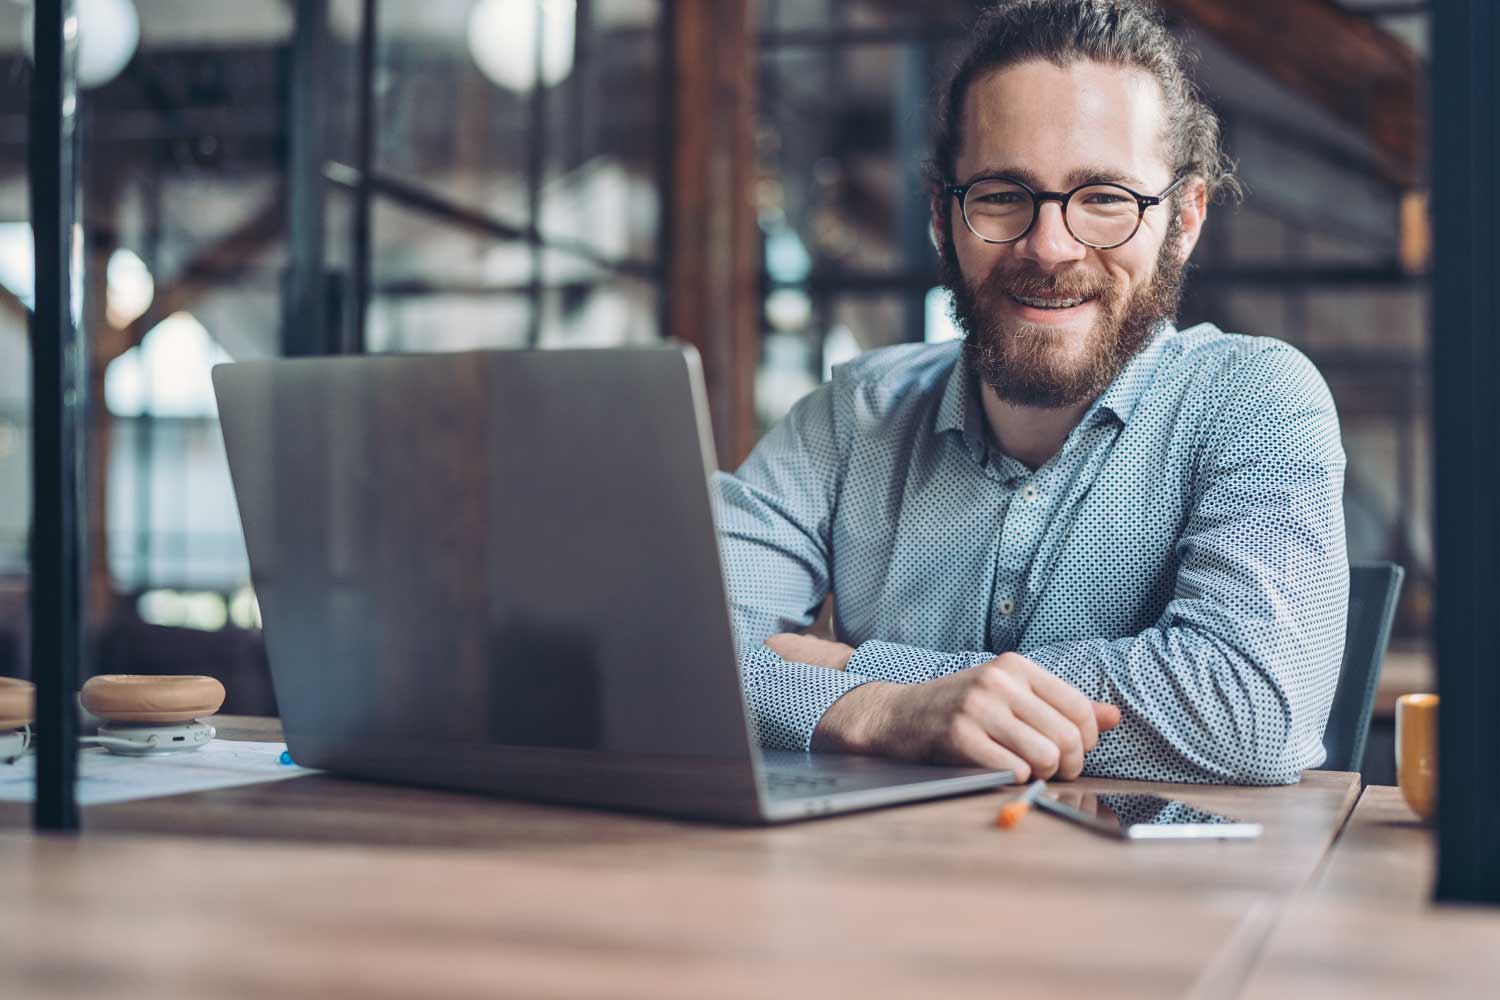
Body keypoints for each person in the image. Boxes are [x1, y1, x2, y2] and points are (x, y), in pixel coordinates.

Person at [714, 0, 1348, 786]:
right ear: (945, 218)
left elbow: (1250, 711)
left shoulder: (1257, 400)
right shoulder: (852, 417)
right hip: (881, 889)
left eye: (1106, 198)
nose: (1050, 247)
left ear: (1184, 220)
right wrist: (877, 711)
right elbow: (669, 644)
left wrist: (871, 677)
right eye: (1003, 195)